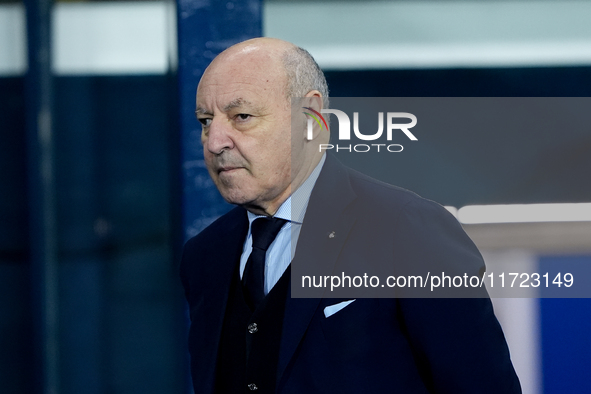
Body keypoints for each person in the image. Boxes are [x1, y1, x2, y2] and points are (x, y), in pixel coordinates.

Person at [180, 37, 521, 394]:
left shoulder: (408, 230)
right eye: (206, 121)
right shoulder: (205, 255)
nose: (214, 141)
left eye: (242, 117)